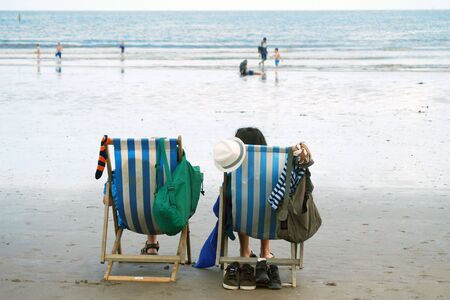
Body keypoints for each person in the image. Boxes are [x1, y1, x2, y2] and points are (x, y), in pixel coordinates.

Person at [217, 128, 281, 290]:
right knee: (267, 202)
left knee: (239, 204)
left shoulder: (235, 173)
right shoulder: (274, 170)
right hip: (269, 212)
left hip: (243, 213)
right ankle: (265, 251)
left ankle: (244, 251)